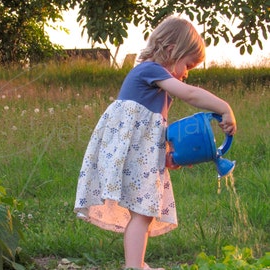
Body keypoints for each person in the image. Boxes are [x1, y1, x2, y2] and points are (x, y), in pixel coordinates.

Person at [74, 16, 237, 270]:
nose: (186, 74)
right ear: (171, 50)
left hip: (135, 153)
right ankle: (133, 267)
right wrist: (224, 107)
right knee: (142, 212)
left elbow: (151, 131)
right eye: (188, 65)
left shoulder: (157, 88)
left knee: (144, 212)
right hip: (129, 153)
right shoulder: (150, 70)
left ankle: (135, 264)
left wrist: (167, 154)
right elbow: (191, 94)